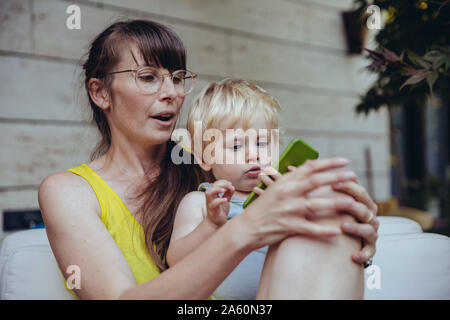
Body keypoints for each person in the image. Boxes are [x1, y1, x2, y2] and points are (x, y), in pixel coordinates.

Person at [38, 19, 379, 300]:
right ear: (100, 93)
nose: (172, 93)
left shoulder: (219, 168)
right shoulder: (68, 191)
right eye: (148, 77)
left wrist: (353, 232)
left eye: (177, 77)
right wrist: (248, 228)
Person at [167, 79, 367, 299]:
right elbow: (176, 260)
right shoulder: (200, 201)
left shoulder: (284, 195)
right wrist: (211, 225)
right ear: (205, 157)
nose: (253, 154)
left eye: (262, 143)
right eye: (236, 145)